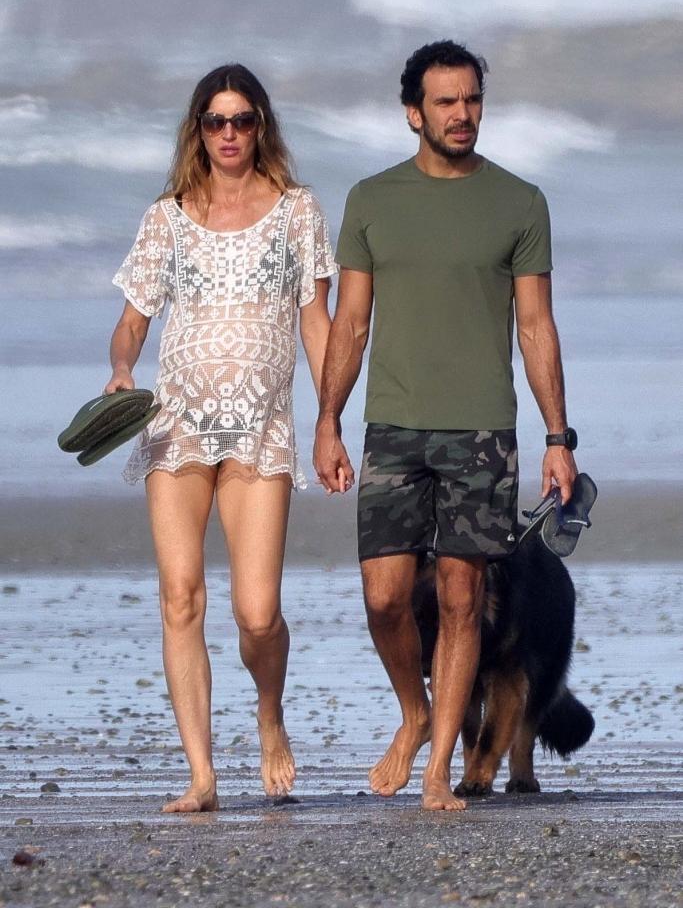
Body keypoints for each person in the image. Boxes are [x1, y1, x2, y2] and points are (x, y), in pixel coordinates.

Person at [313, 40, 578, 812]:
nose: (461, 115)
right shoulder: (371, 200)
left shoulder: (519, 202)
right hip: (391, 426)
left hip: (481, 433)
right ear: (412, 113)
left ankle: (438, 777)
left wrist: (558, 437)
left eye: (471, 100)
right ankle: (416, 714)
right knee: (385, 598)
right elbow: (351, 322)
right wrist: (326, 422)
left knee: (463, 597)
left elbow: (535, 327)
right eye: (445, 102)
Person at [106, 64, 336, 812]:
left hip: (261, 428)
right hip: (176, 426)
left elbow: (315, 321)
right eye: (215, 121)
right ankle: (201, 777)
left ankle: (269, 715)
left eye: (242, 120)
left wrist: (330, 418)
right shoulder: (166, 216)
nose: (229, 134)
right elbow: (136, 316)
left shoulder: (298, 211)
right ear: (197, 129)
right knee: (180, 598)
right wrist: (120, 369)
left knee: (257, 612)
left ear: (260, 125)